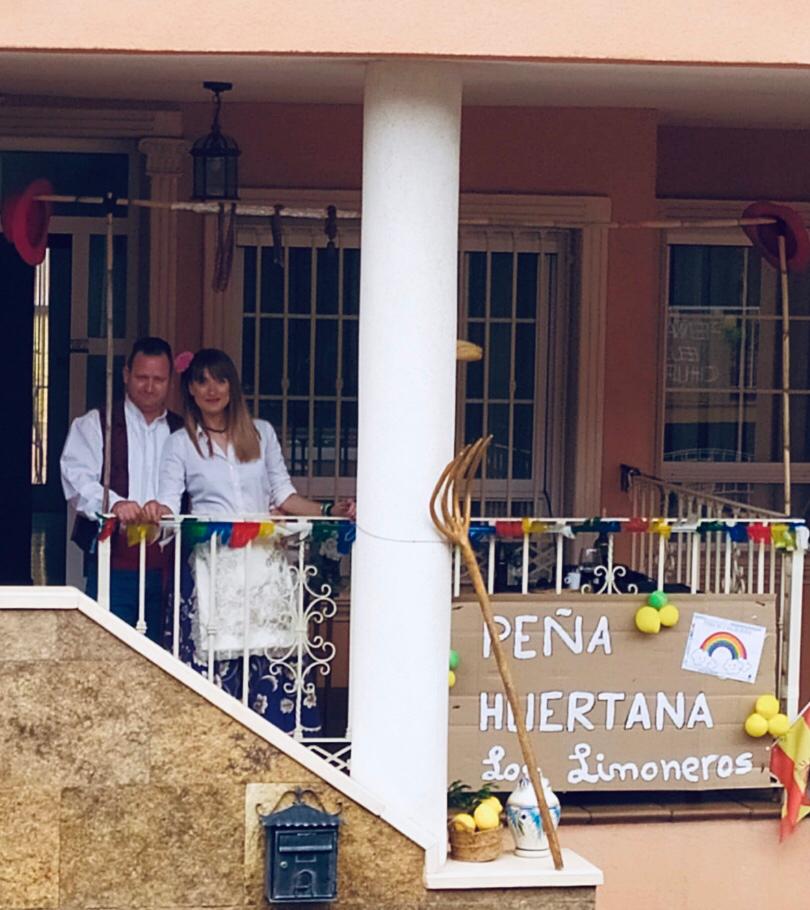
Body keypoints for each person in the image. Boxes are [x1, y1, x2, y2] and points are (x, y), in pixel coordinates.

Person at [143, 348, 355, 731]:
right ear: (190, 389)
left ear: (232, 386)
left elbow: (284, 495)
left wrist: (328, 512)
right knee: (217, 661)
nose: (212, 389)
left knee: (271, 659)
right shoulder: (179, 443)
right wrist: (155, 511)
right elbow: (171, 506)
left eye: (220, 380)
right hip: (214, 565)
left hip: (263, 566)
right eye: (202, 381)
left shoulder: (261, 433)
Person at [60, 336, 182, 642]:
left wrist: (168, 508)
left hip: (170, 563)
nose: (150, 386)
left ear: (170, 381)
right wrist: (113, 503)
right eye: (142, 377)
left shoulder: (183, 431)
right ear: (126, 374)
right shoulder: (96, 423)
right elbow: (76, 477)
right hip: (114, 561)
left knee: (166, 655)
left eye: (158, 379)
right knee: (110, 650)